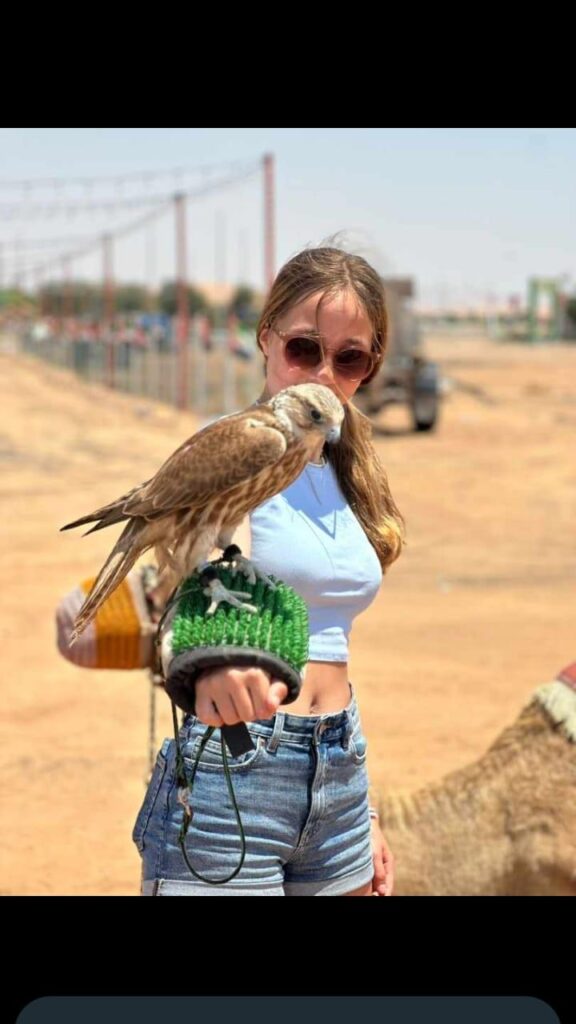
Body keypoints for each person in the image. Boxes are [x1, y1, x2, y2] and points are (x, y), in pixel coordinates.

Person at [132, 245, 406, 896]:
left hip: (338, 766)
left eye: (349, 358)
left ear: (369, 367)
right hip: (236, 768)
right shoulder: (235, 446)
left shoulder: (350, 468)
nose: (322, 373)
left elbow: (329, 636)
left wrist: (358, 808)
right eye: (304, 350)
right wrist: (204, 659)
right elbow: (165, 589)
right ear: (265, 339)